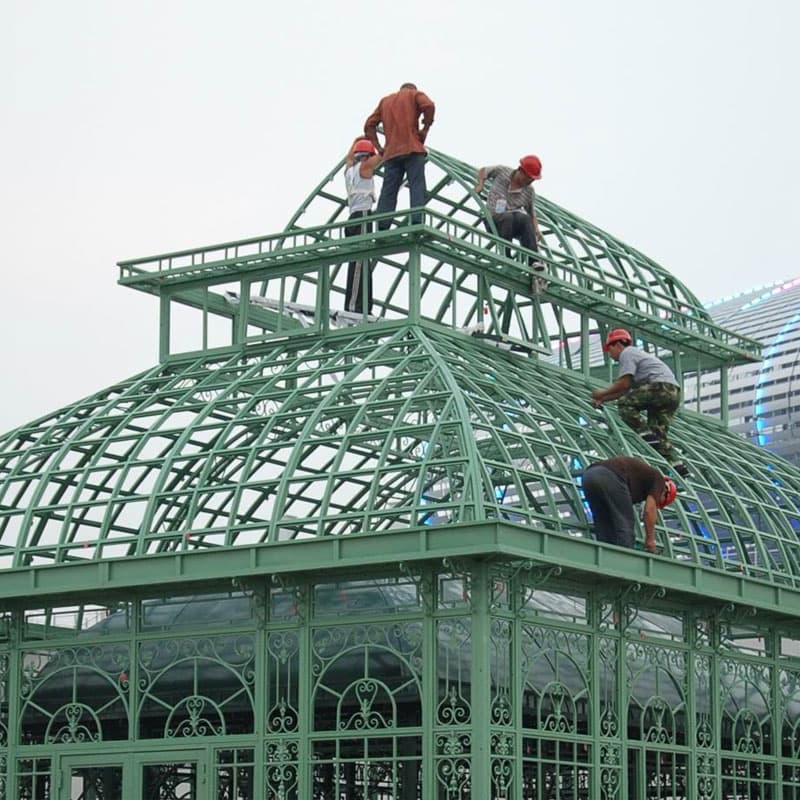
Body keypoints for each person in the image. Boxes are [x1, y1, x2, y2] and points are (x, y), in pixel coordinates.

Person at [591, 328, 688, 476]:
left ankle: (644, 433)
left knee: (624, 404)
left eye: (609, 350)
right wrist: (603, 399)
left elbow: (623, 385)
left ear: (618, 345)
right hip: (673, 393)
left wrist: (601, 393)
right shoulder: (639, 355)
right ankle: (678, 466)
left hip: (660, 388)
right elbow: (625, 390)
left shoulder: (627, 353)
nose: (610, 355)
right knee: (659, 434)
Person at [364, 82, 435, 229]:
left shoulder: (385, 101)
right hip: (412, 148)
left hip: (391, 154)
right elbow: (428, 105)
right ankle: (417, 220)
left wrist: (378, 147)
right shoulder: (414, 94)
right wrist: (425, 128)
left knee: (388, 190)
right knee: (417, 185)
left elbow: (369, 125)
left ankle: (383, 224)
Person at [582, 456, 678, 553]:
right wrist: (650, 540)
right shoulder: (659, 481)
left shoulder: (639, 485)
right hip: (610, 476)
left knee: (604, 524)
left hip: (588, 476)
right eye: (661, 502)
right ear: (666, 492)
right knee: (625, 524)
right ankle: (624, 558)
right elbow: (649, 511)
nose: (658, 503)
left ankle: (605, 554)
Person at [474, 156, 544, 269]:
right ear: (521, 171)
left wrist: (536, 229)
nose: (530, 182)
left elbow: (532, 214)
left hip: (512, 225)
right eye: (528, 178)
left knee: (524, 218)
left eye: (532, 180)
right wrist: (480, 184)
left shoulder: (529, 191)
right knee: (508, 217)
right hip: (493, 221)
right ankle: (506, 256)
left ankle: (534, 261)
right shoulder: (502, 171)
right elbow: (483, 171)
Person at [343, 137, 383, 314]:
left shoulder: (349, 170)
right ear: (366, 156)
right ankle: (354, 307)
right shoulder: (364, 168)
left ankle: (364, 306)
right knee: (360, 262)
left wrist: (357, 139)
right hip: (363, 217)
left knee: (362, 262)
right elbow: (382, 156)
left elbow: (348, 158)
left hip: (354, 216)